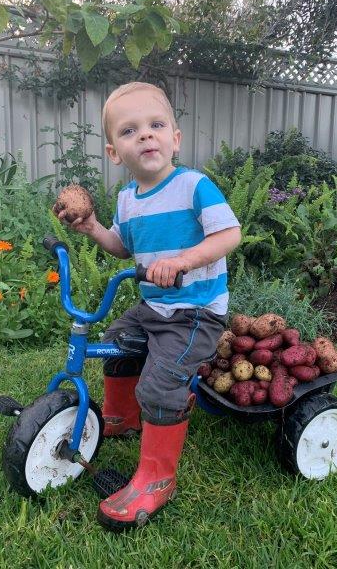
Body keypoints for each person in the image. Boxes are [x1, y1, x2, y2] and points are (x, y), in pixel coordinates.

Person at [55, 81, 241, 531]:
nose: (145, 136)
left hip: (194, 311)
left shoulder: (193, 186)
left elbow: (229, 235)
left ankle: (156, 476)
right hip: (153, 308)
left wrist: (182, 261)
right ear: (115, 152)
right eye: (130, 130)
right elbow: (122, 247)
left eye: (156, 125)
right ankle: (123, 417)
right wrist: (94, 228)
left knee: (161, 381)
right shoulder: (127, 199)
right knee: (117, 341)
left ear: (175, 138)